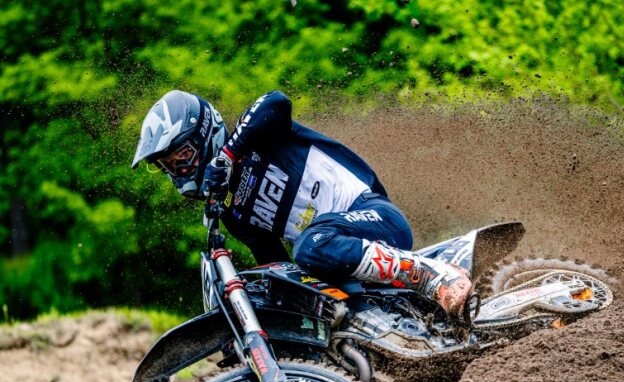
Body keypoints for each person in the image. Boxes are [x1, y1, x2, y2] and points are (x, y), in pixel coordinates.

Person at [131, 90, 472, 315]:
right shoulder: (234, 212)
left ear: (205, 133)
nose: (180, 171)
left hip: (377, 217)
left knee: (309, 244)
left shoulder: (257, 135)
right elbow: (278, 266)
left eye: (182, 157)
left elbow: (276, 101)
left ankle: (431, 274)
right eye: (169, 166)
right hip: (341, 265)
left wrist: (229, 154)